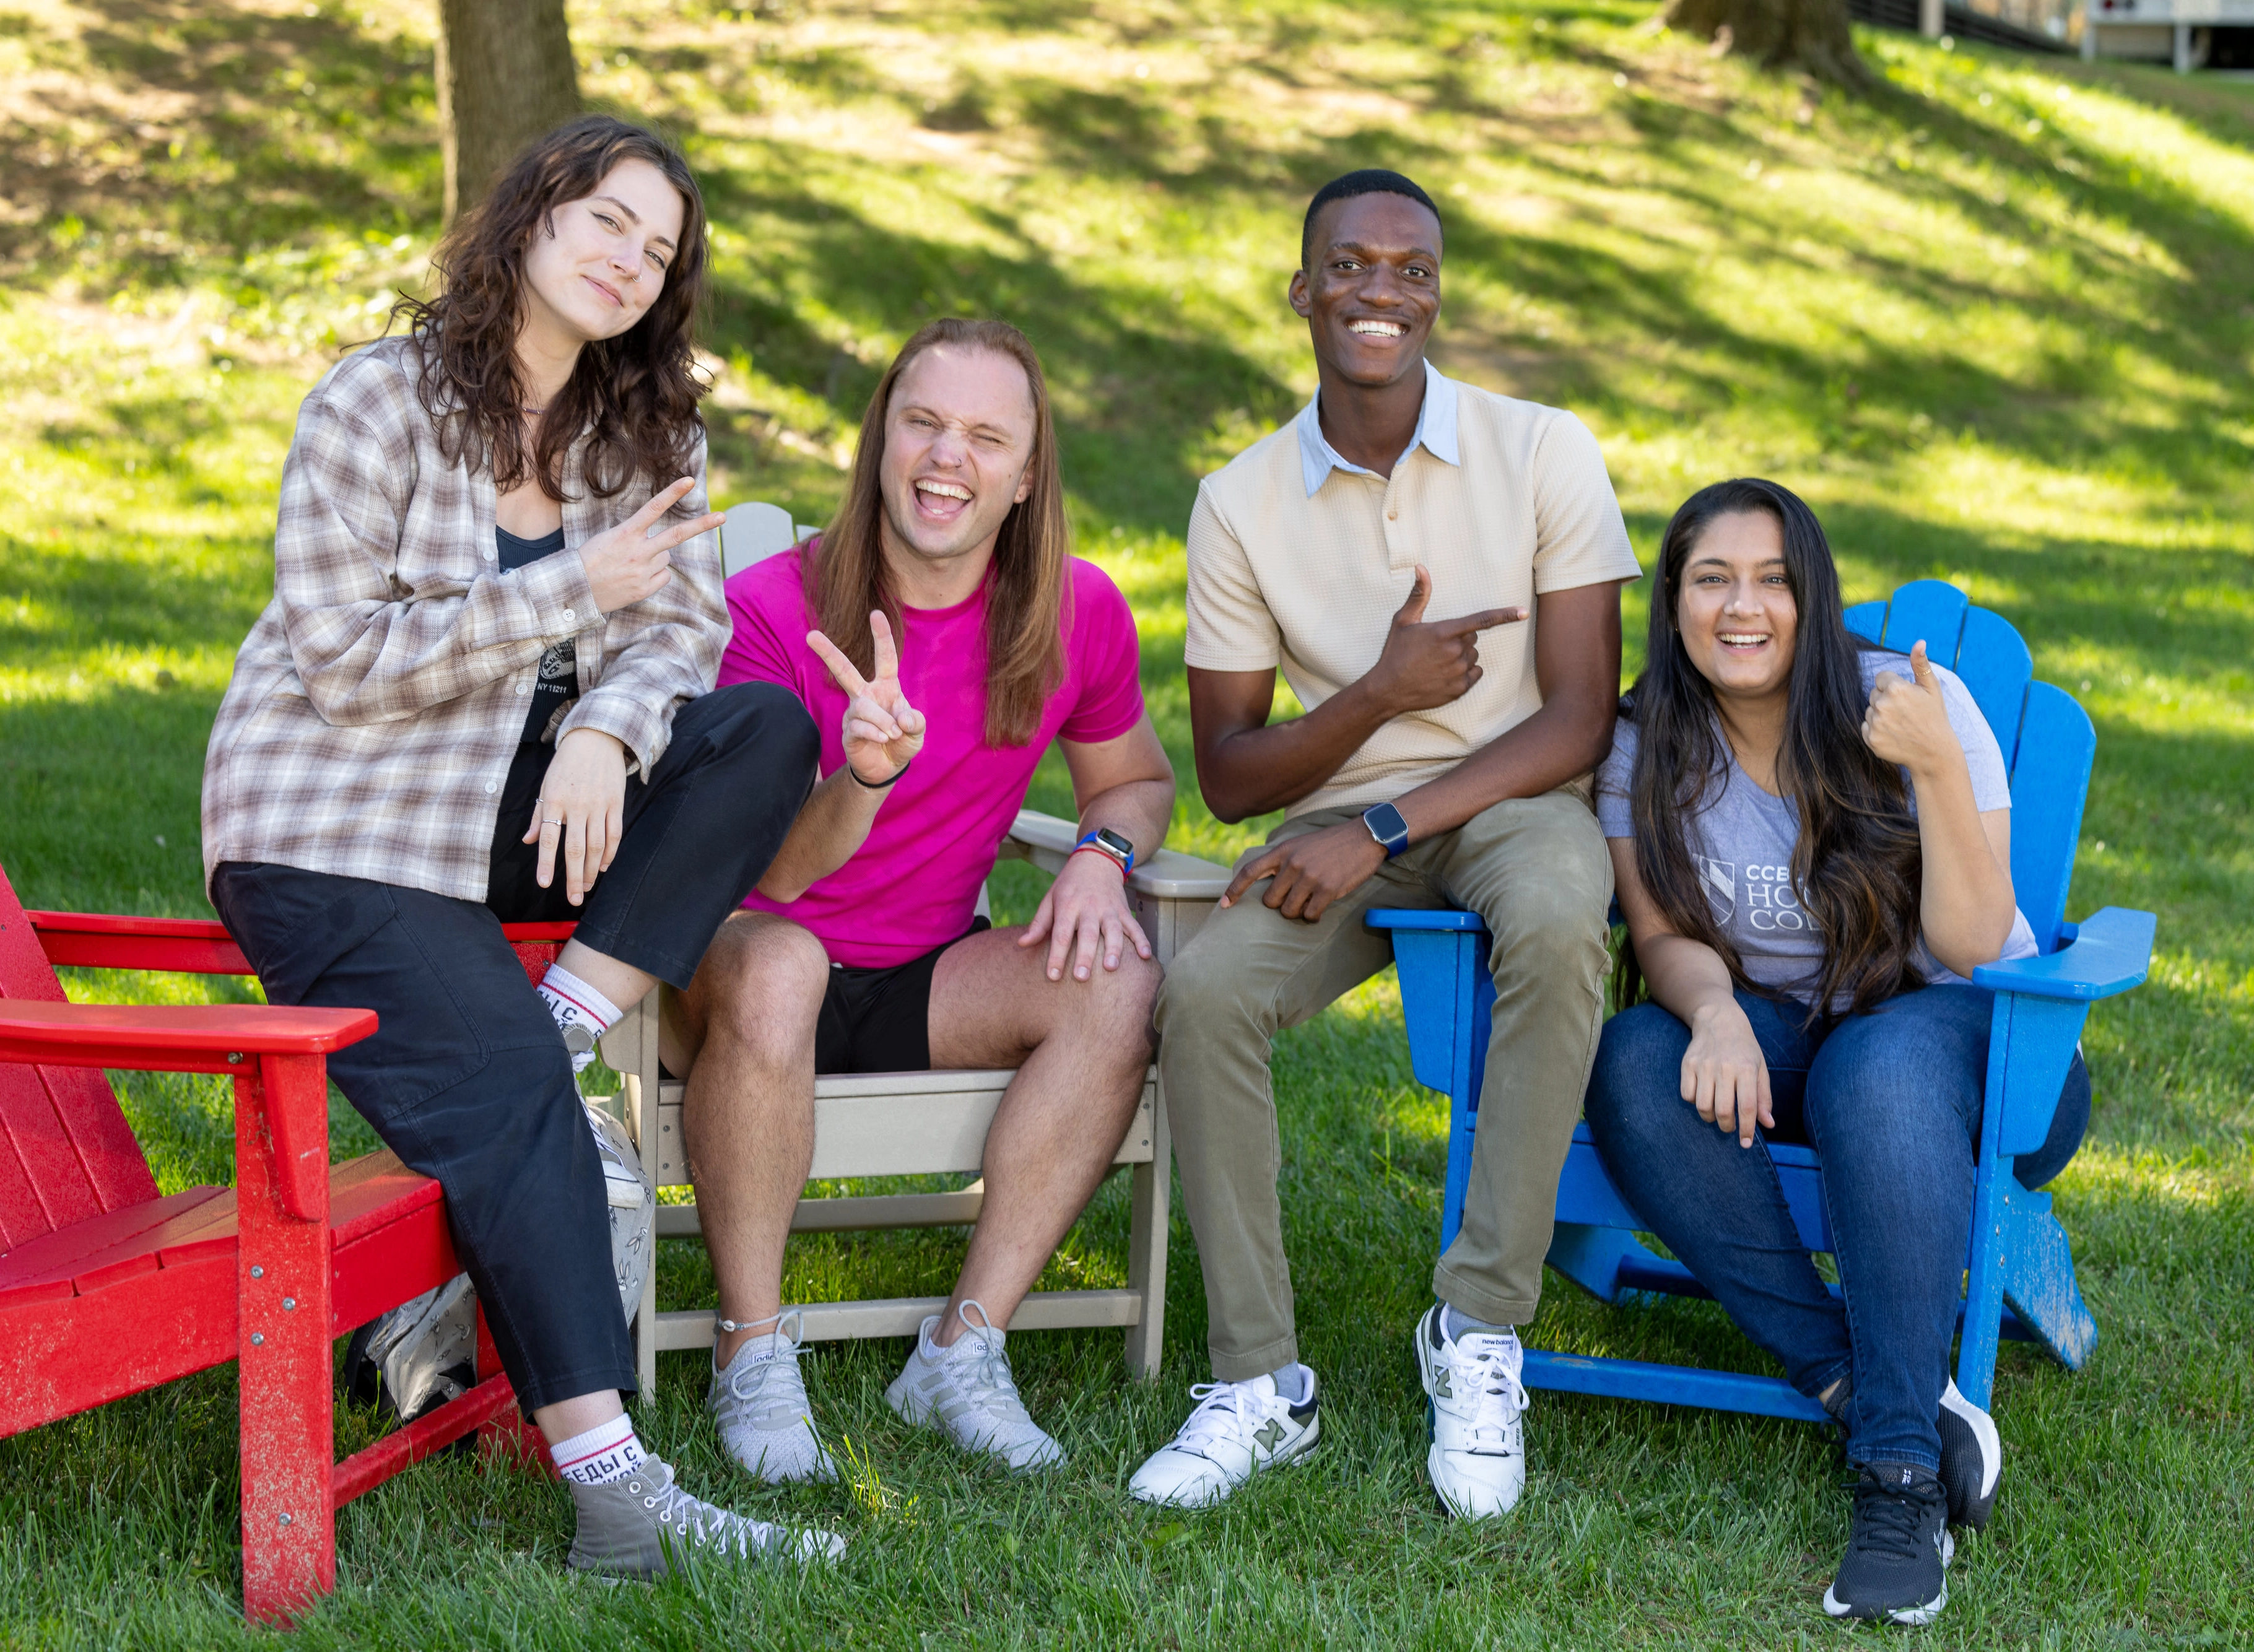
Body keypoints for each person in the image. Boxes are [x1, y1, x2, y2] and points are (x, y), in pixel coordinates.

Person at [201, 116, 838, 1577]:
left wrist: (610, 729)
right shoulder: (374, 401)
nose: (629, 259)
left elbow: (677, 624)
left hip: (526, 802)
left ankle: (559, 1017)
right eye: (608, 221)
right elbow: (341, 659)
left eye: (659, 248)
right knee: (509, 1100)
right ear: (534, 215)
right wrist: (564, 589)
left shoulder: (638, 433)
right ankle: (620, 1498)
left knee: (760, 729)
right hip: (337, 825)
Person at [1128, 170, 1643, 1519]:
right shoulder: (1237, 500)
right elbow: (1232, 775)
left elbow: (1583, 716)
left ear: (1435, 297)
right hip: (1333, 818)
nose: (1380, 292)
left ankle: (1476, 1330)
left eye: (1410, 271)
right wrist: (1372, 699)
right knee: (1203, 991)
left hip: (1512, 797)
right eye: (1349, 266)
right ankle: (1257, 1381)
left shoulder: (1543, 449)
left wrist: (1380, 819)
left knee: (1549, 920)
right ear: (1302, 291)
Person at [669, 317, 1175, 1481]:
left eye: (987, 437)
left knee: (1119, 977)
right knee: (786, 958)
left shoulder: (1073, 612)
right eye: (926, 424)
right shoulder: (768, 609)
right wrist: (862, 775)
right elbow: (775, 877)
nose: (950, 458)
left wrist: (1102, 852)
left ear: (1026, 473)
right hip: (745, 969)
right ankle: (751, 1349)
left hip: (927, 977)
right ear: (881, 438)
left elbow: (1141, 781)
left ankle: (962, 1346)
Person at [1580, 477, 2091, 1626]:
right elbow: (1661, 934)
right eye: (1712, 579)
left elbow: (1971, 943)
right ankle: (1863, 1386)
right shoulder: (1646, 743)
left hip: (1988, 1053)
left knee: (1879, 1065)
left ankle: (1900, 1482)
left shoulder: (1913, 700)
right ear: (1674, 605)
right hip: (1798, 1042)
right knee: (1634, 1059)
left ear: (1815, 598)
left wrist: (1940, 767)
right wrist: (1710, 1014)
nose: (1743, 606)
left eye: (1773, 579)